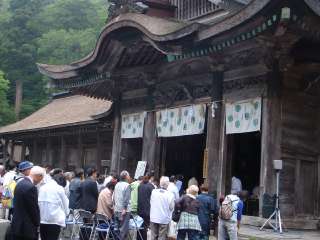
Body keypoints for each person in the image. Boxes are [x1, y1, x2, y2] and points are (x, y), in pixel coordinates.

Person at [11, 166, 45, 240]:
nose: (41, 181)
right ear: (39, 176)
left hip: (17, 224)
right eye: (41, 178)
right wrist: (37, 223)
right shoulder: (31, 187)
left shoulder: (20, 183)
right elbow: (33, 209)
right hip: (26, 228)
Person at [38, 173, 69, 240]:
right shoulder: (59, 188)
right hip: (55, 221)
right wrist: (66, 214)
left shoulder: (42, 187)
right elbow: (65, 204)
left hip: (42, 219)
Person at [113, 170, 131, 240]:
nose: (129, 177)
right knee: (123, 229)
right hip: (124, 211)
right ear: (126, 177)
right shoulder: (127, 185)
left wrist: (114, 206)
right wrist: (125, 208)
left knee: (117, 228)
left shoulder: (117, 184)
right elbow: (126, 198)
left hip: (117, 209)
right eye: (128, 176)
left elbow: (114, 196)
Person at [137, 174, 155, 240]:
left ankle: (139, 238)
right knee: (146, 226)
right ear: (149, 179)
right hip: (148, 210)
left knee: (140, 225)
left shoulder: (139, 186)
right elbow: (154, 199)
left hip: (140, 210)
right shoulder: (151, 186)